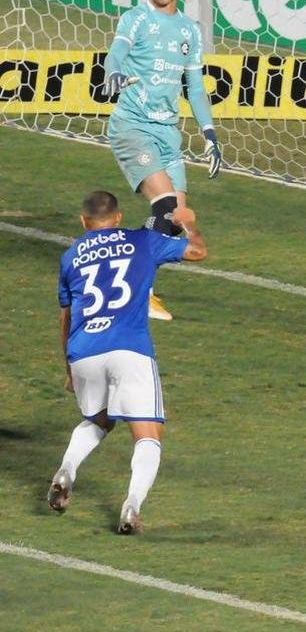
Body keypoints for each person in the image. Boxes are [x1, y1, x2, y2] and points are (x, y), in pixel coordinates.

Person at [47, 190, 207, 534]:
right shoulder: (143, 241)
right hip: (128, 349)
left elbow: (65, 316)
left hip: (83, 350)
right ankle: (131, 506)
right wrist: (189, 225)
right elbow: (197, 252)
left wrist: (68, 369)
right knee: (147, 434)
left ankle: (66, 470)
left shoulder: (70, 257)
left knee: (99, 419)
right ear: (118, 217)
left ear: (83, 222)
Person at [102, 0, 221, 321]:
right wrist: (114, 74)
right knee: (166, 206)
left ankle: (128, 277)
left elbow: (196, 88)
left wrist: (210, 132)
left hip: (168, 133)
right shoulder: (136, 19)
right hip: (132, 126)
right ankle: (141, 294)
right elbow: (116, 54)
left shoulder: (189, 30)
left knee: (171, 220)